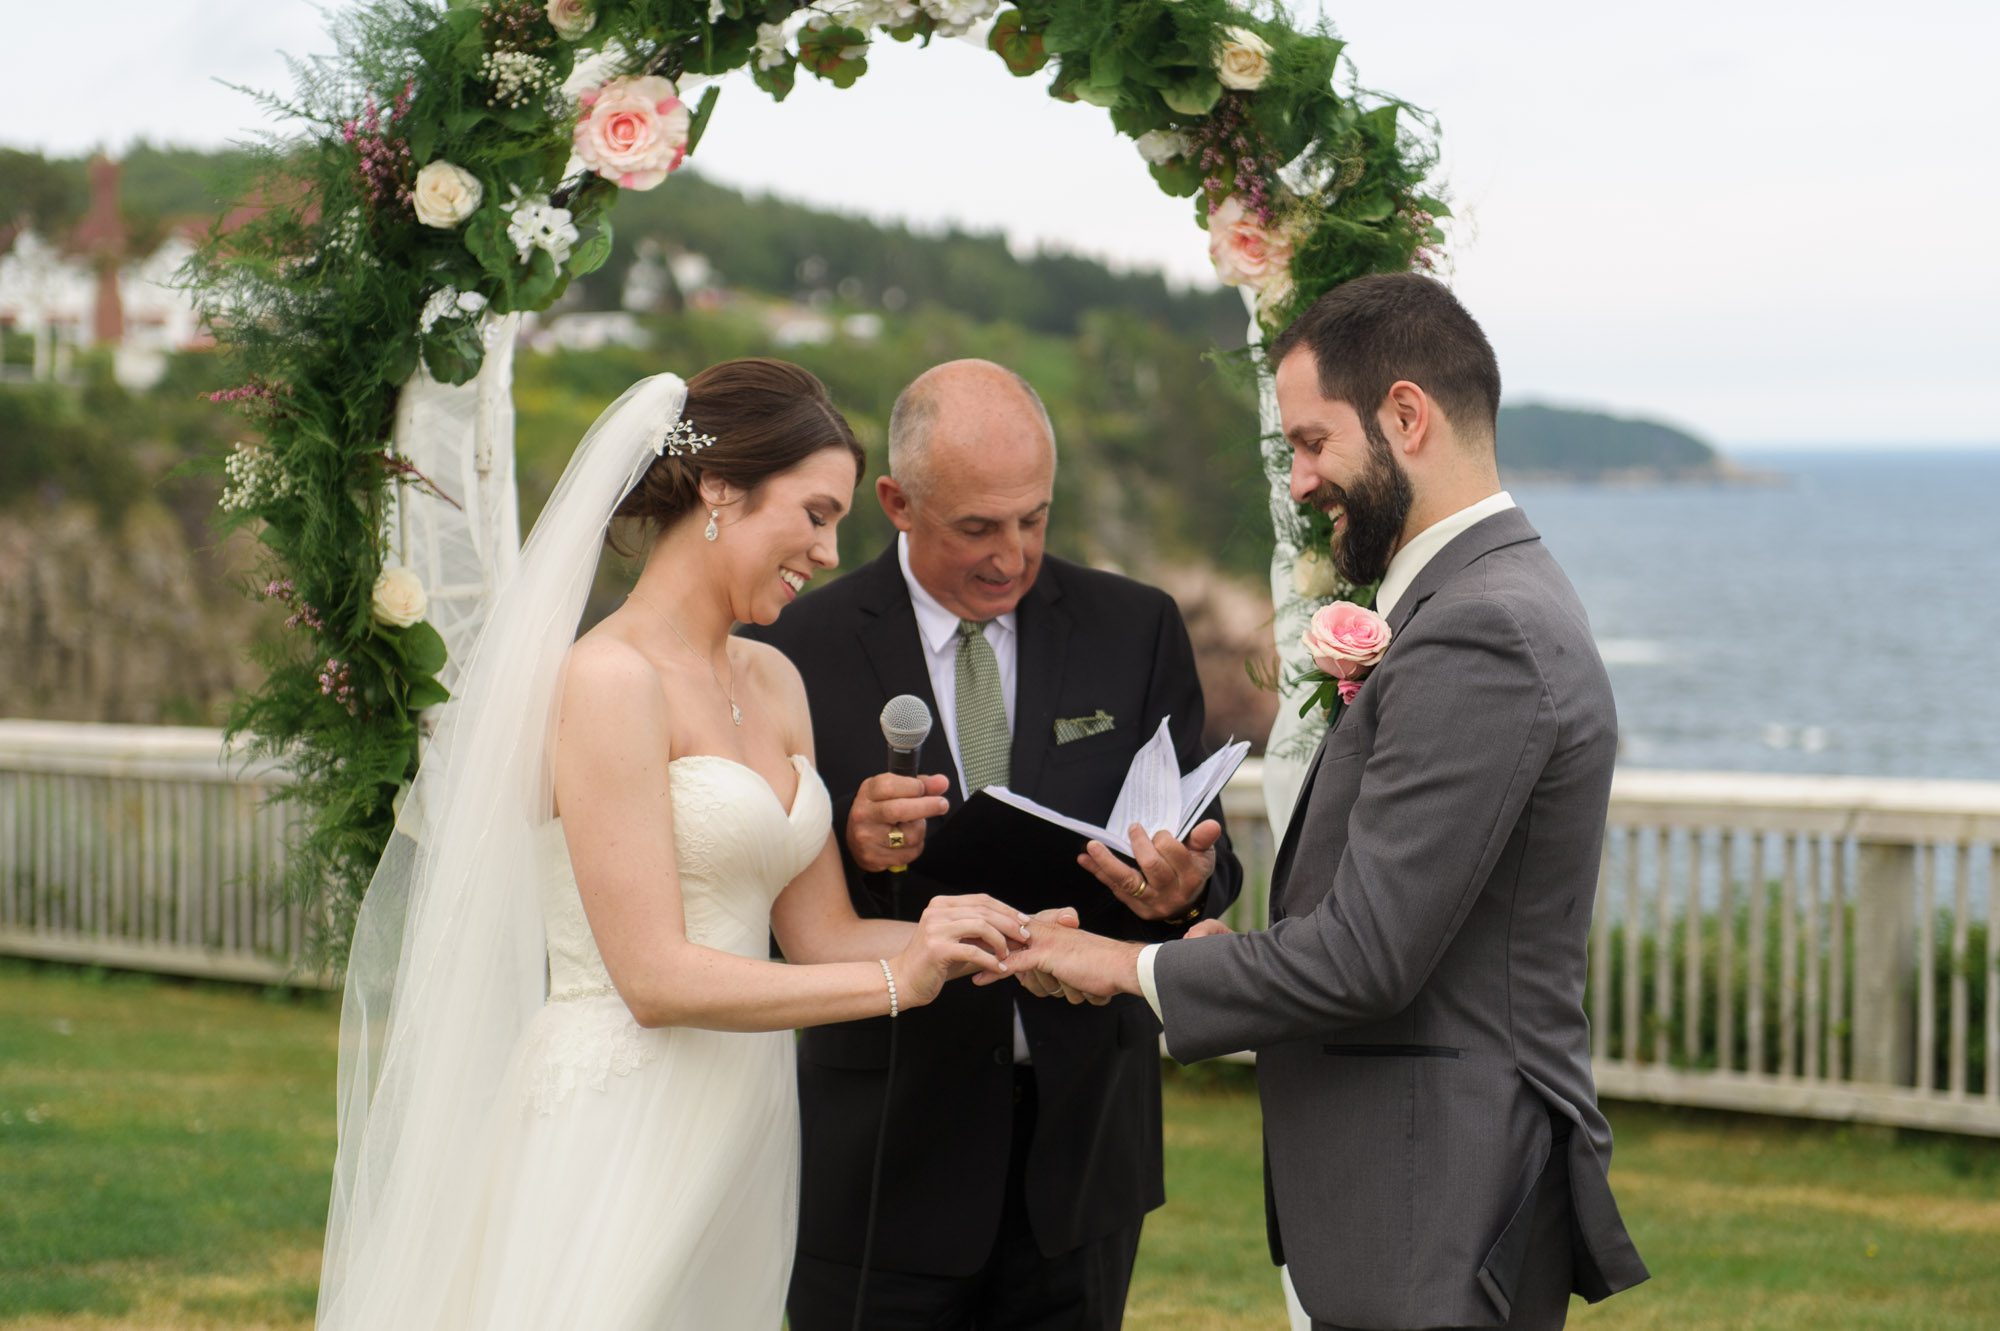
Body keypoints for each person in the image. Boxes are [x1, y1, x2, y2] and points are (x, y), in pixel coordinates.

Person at [314, 360, 1032, 1331]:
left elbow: (818, 930)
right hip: (620, 1114)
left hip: (744, 1117)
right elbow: (652, 977)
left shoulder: (774, 678)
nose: (826, 551)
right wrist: (903, 977)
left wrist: (992, 933)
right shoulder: (608, 680)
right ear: (720, 489)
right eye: (814, 513)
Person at [994, 277, 1651, 1330]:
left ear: (1404, 414)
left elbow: (1365, 958)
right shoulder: (1474, 601)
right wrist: (1220, 946)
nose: (1298, 480)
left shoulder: (1480, 629)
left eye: (1310, 441)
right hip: (1407, 1193)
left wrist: (1121, 963)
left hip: (1434, 1198)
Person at [743, 358, 1243, 1330]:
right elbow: (757, 894)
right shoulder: (794, 647)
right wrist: (848, 841)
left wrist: (1181, 886)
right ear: (893, 500)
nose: (1011, 554)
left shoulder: (1133, 627)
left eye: (1034, 518)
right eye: (976, 526)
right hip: (876, 1155)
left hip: (1081, 1151)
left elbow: (1201, 849)